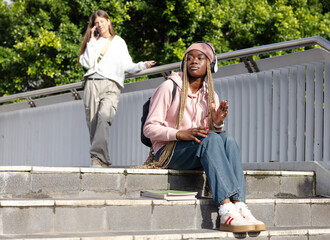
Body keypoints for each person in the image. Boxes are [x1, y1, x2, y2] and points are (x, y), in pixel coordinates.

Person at [143, 42, 265, 233]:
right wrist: (178, 133)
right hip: (168, 151)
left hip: (195, 150)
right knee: (212, 139)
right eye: (189, 58)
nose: (193, 61)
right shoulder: (169, 87)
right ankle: (225, 209)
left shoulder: (211, 95)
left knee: (228, 139)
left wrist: (216, 124)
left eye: (200, 58)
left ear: (210, 64)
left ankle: (239, 204)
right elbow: (149, 128)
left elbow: (209, 136)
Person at [78, 10, 156, 168]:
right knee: (93, 125)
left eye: (102, 21)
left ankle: (97, 158)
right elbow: (86, 63)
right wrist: (92, 41)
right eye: (96, 23)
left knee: (104, 118)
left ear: (108, 21)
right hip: (92, 83)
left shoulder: (118, 41)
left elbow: (128, 65)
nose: (100, 25)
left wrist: (143, 65)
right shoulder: (92, 43)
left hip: (112, 85)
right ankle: (101, 160)